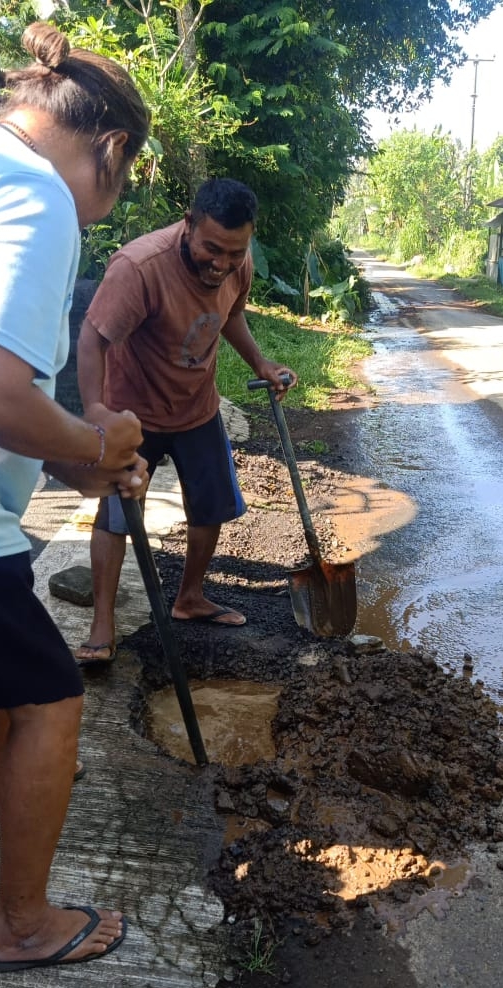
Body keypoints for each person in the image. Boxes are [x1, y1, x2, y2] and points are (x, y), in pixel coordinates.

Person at [0, 22, 150, 972]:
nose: (103, 210)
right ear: (111, 149)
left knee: (10, 656)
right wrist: (97, 439)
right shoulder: (37, 196)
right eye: (115, 188)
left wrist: (72, 465)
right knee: (50, 693)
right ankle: (25, 923)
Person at [73, 177, 297, 667]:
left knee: (211, 505)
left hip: (198, 409)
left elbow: (230, 313)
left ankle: (190, 598)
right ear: (189, 225)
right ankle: (102, 626)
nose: (221, 264)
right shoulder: (140, 267)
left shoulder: (237, 264)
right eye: (212, 249)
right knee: (116, 517)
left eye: (234, 252)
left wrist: (260, 363)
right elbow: (93, 340)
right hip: (133, 415)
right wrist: (96, 413)